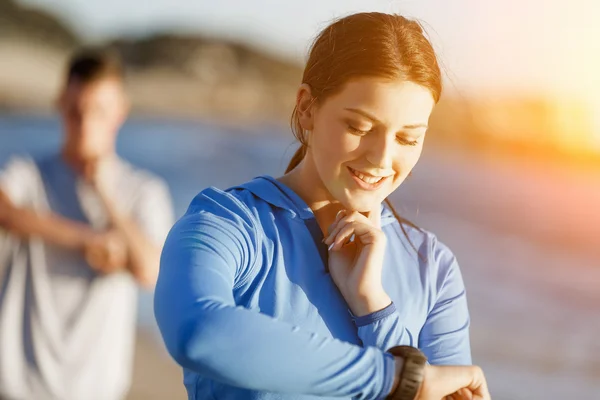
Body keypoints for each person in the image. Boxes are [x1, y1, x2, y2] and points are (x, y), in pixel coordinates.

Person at [154, 12, 490, 400]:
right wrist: (396, 379)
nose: (381, 158)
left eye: (408, 138)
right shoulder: (229, 224)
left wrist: (374, 309)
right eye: (359, 128)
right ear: (307, 108)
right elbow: (197, 332)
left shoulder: (432, 267)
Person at [0, 48, 174, 400]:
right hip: (17, 385)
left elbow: (149, 269)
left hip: (95, 388)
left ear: (120, 112)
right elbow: (4, 212)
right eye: (76, 111)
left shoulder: (143, 192)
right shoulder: (29, 175)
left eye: (98, 112)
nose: (85, 123)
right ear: (61, 103)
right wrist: (88, 239)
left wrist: (103, 194)